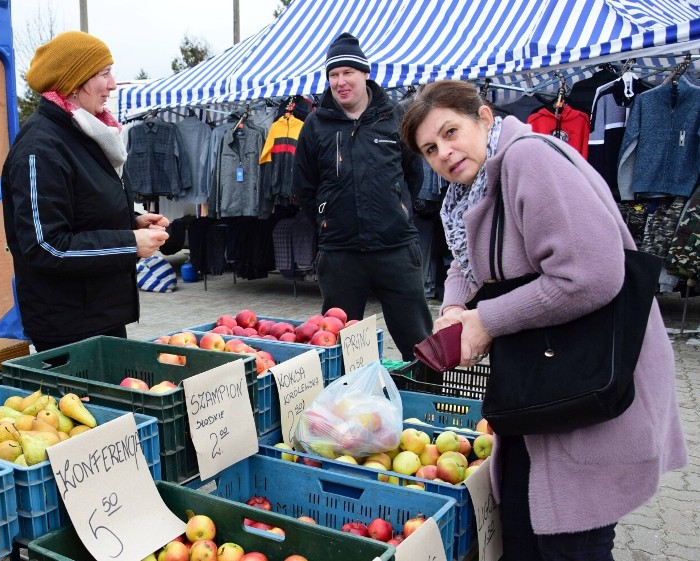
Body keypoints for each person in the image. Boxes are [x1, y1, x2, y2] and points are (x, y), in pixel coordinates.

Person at [400, 80, 687, 560]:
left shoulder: (528, 161)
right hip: (548, 383)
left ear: (485, 118)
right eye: (430, 149)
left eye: (451, 133)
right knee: (523, 524)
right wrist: (454, 308)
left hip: (592, 384)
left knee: (572, 542)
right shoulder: (468, 196)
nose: (444, 153)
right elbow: (465, 263)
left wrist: (486, 321)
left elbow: (591, 275)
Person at [1, 31, 169, 352]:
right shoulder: (40, 147)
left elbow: (84, 203)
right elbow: (45, 245)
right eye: (104, 74)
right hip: (68, 324)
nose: (113, 85)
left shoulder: (87, 133)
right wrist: (128, 244)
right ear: (74, 83)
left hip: (100, 312)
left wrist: (132, 220)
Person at [292, 32, 432, 360]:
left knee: (419, 343)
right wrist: (328, 221)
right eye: (333, 75)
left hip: (395, 249)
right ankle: (346, 408)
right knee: (339, 347)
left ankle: (427, 402)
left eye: (348, 73)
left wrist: (394, 209)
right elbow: (304, 188)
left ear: (365, 74)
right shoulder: (315, 125)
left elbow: (414, 175)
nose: (341, 82)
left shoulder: (395, 118)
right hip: (340, 254)